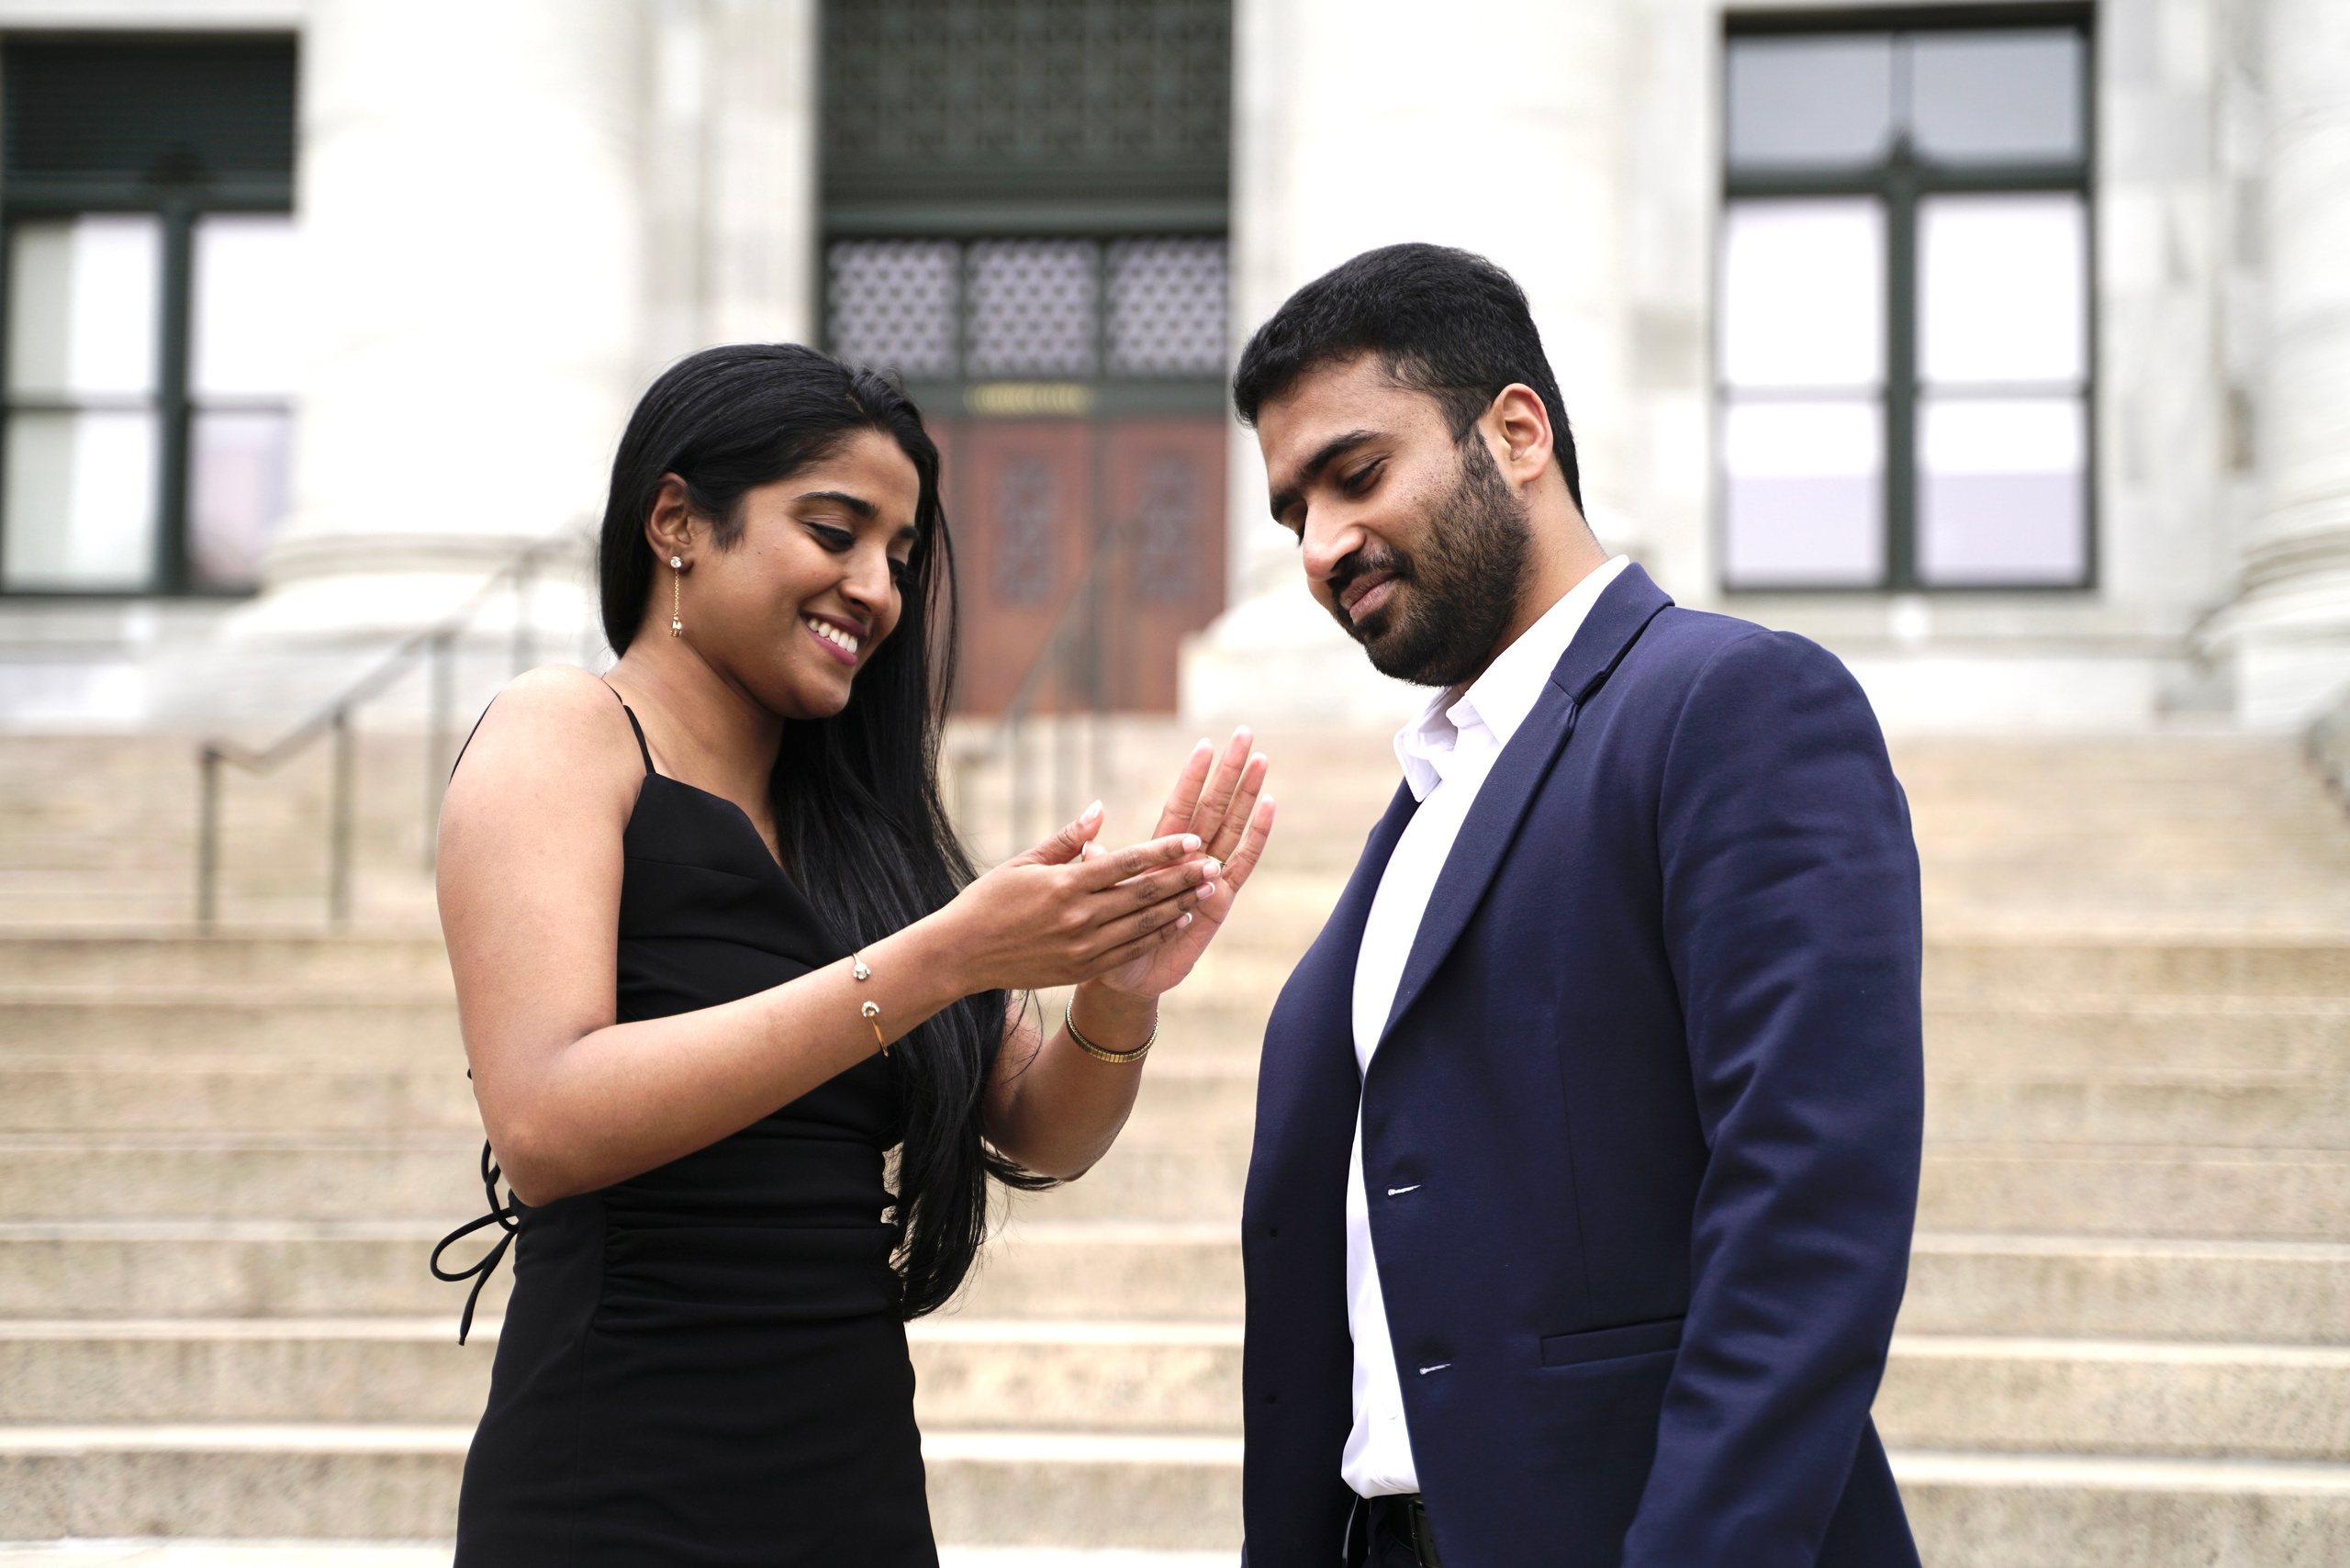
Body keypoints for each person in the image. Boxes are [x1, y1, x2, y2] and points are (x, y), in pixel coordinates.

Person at [431, 343, 1275, 1565]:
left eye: (902, 554)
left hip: (851, 1477)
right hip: (616, 1477)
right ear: (677, 522)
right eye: (835, 532)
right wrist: (933, 963)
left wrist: (1116, 988)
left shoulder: (861, 834)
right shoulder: (565, 733)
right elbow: (547, 1121)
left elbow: (1045, 1131)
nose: (876, 588)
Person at [1233, 246, 1923, 1568]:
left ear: (1516, 431)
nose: (1320, 547)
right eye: (1291, 513)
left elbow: (1807, 1209)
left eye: (1356, 475)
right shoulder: (1429, 795)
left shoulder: (1733, 707)